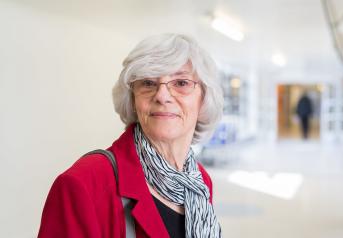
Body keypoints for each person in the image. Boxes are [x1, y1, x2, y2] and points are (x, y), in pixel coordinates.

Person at [38, 33, 223, 238]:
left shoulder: (199, 181)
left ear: (204, 98)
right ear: (133, 99)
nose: (162, 96)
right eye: (148, 83)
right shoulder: (84, 184)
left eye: (181, 83)